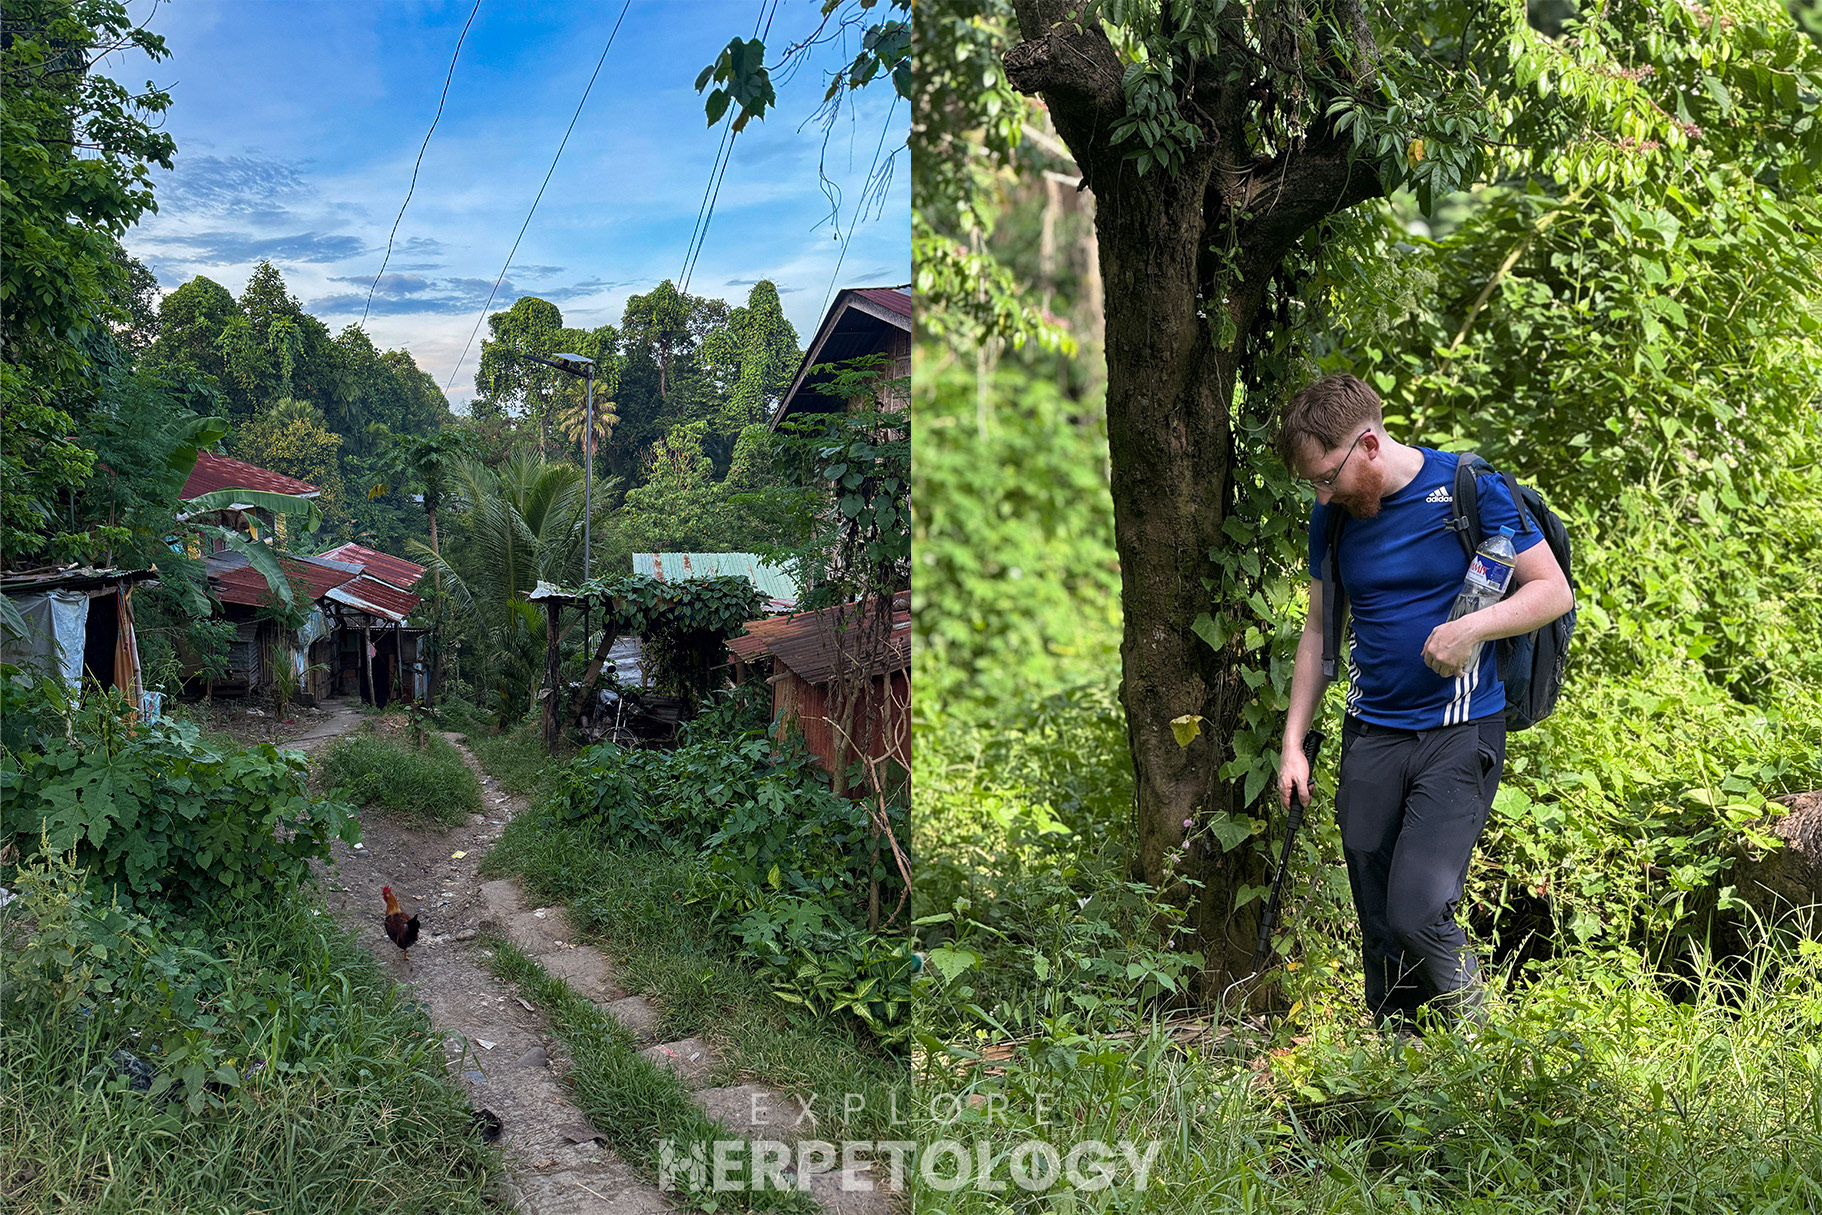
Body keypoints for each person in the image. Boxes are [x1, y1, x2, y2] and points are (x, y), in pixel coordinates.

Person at [1275, 373, 1573, 1030]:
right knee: (1380, 925)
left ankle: (1484, 1057)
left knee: (1418, 908)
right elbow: (1320, 630)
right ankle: (1401, 1074)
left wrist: (1473, 626)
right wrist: (1293, 742)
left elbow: (1551, 590)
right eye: (1314, 485)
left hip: (1459, 730)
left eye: (1327, 476)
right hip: (1370, 735)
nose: (1322, 495)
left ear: (1371, 445)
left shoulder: (1469, 488)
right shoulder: (1332, 520)